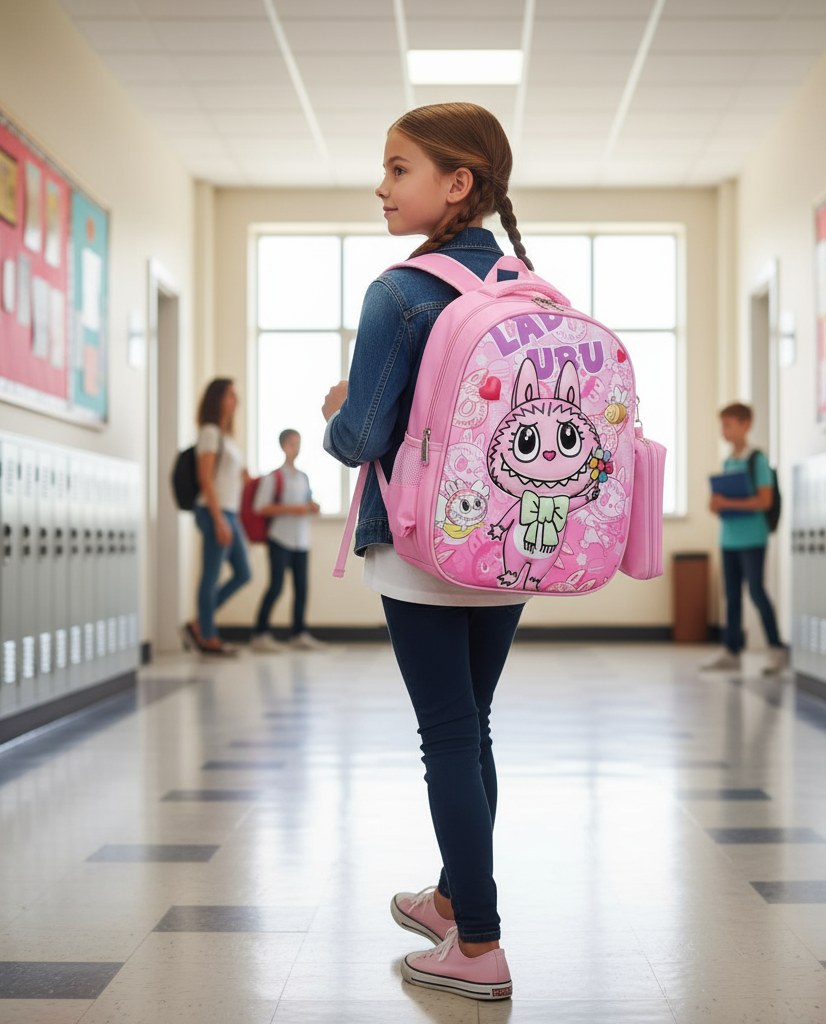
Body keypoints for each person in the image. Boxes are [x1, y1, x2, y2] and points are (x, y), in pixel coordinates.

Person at [321, 103, 530, 1001]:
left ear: (458, 184)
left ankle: (477, 947)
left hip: (420, 548)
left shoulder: (399, 292)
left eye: (399, 169)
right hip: (510, 542)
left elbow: (360, 435)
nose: (382, 185)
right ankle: (451, 897)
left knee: (445, 733)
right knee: (472, 727)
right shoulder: (526, 285)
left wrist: (338, 404)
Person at [701, 402, 786, 674]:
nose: (723, 431)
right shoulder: (728, 461)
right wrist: (716, 504)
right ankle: (731, 650)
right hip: (728, 538)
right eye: (722, 426)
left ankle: (776, 648)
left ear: (745, 424)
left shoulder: (756, 460)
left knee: (757, 592)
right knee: (732, 596)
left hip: (752, 538)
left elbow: (764, 500)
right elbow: (723, 501)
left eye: (728, 425)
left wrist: (728, 503)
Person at [182, 378, 251, 656]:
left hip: (229, 511)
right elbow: (205, 480)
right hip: (215, 512)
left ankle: (200, 623)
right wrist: (219, 520)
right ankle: (208, 636)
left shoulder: (226, 436)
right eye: (230, 395)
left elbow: (228, 477)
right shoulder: (209, 432)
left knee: (244, 573)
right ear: (217, 399)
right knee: (211, 576)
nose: (236, 400)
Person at [249, 429, 326, 652]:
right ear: (283, 446)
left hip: (301, 540)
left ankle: (299, 633)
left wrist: (312, 507)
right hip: (280, 538)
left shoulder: (303, 477)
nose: (296, 448)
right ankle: (260, 633)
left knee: (302, 588)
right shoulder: (274, 477)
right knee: (276, 586)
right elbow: (260, 507)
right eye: (292, 444)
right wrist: (294, 509)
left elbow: (307, 501)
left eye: (298, 443)